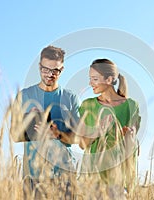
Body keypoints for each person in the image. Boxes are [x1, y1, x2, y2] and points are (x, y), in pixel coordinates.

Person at [54, 58, 141, 198]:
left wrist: (129, 136)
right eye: (90, 79)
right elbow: (83, 144)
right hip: (92, 178)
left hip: (118, 178)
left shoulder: (131, 106)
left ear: (109, 80)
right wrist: (98, 131)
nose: (90, 83)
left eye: (94, 79)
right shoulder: (88, 106)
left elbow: (131, 148)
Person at [10, 45, 80, 199]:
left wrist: (57, 134)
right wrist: (28, 121)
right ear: (39, 66)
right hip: (33, 175)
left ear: (62, 69)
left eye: (56, 70)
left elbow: (79, 137)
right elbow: (14, 135)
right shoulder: (24, 96)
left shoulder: (71, 98)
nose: (50, 74)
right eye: (45, 69)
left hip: (65, 173)